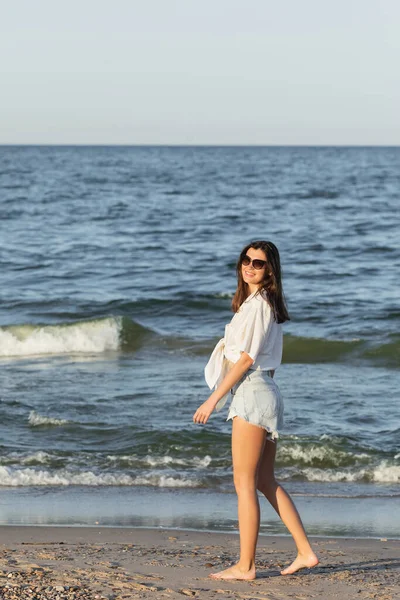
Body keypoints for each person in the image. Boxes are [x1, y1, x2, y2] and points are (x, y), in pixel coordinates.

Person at [193, 240, 319, 581]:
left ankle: (246, 566)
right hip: (264, 392)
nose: (250, 266)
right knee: (263, 479)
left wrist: (214, 398)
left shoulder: (261, 305)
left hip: (253, 394)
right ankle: (305, 551)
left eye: (259, 263)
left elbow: (247, 359)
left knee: (244, 483)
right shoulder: (254, 304)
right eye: (246, 260)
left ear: (270, 270)